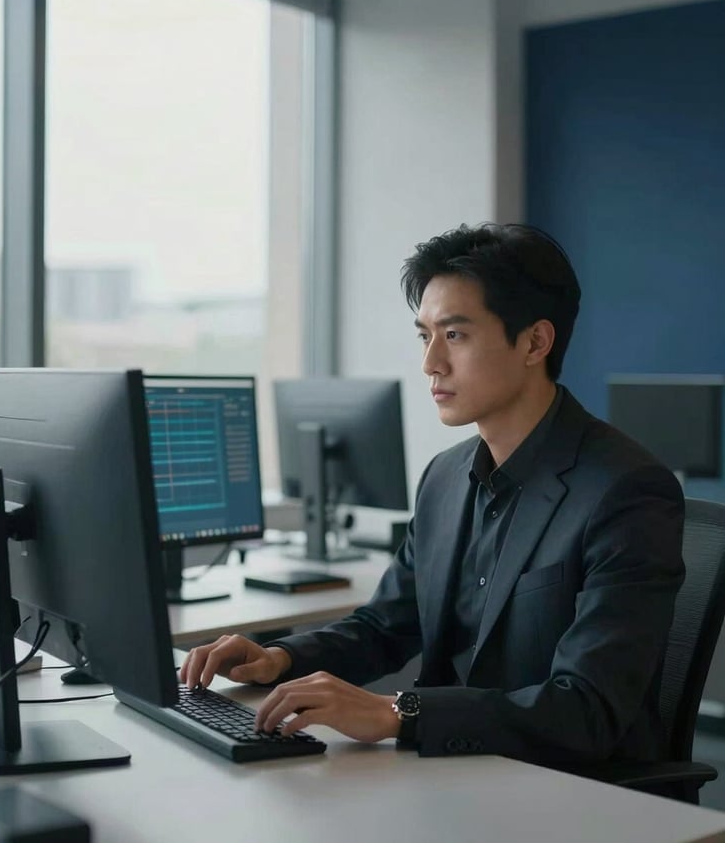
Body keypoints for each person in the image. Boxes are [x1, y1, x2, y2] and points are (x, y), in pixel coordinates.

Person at [181, 222, 685, 764]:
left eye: (456, 335)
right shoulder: (445, 477)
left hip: (569, 793)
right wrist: (279, 657)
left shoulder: (625, 491)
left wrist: (398, 712)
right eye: (425, 336)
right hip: (449, 770)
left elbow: (587, 708)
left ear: (535, 342)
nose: (430, 364)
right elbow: (384, 626)